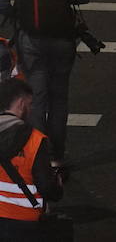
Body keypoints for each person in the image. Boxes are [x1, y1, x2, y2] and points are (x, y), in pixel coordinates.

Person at [0, 0, 89, 174]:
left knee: (37, 97)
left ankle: (38, 155)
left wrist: (21, 10)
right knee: (59, 97)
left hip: (32, 40)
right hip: (63, 38)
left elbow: (2, 3)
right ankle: (57, 156)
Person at [0, 78, 64, 233]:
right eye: (30, 104)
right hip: (24, 222)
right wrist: (58, 184)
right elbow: (46, 187)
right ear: (21, 104)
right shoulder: (34, 139)